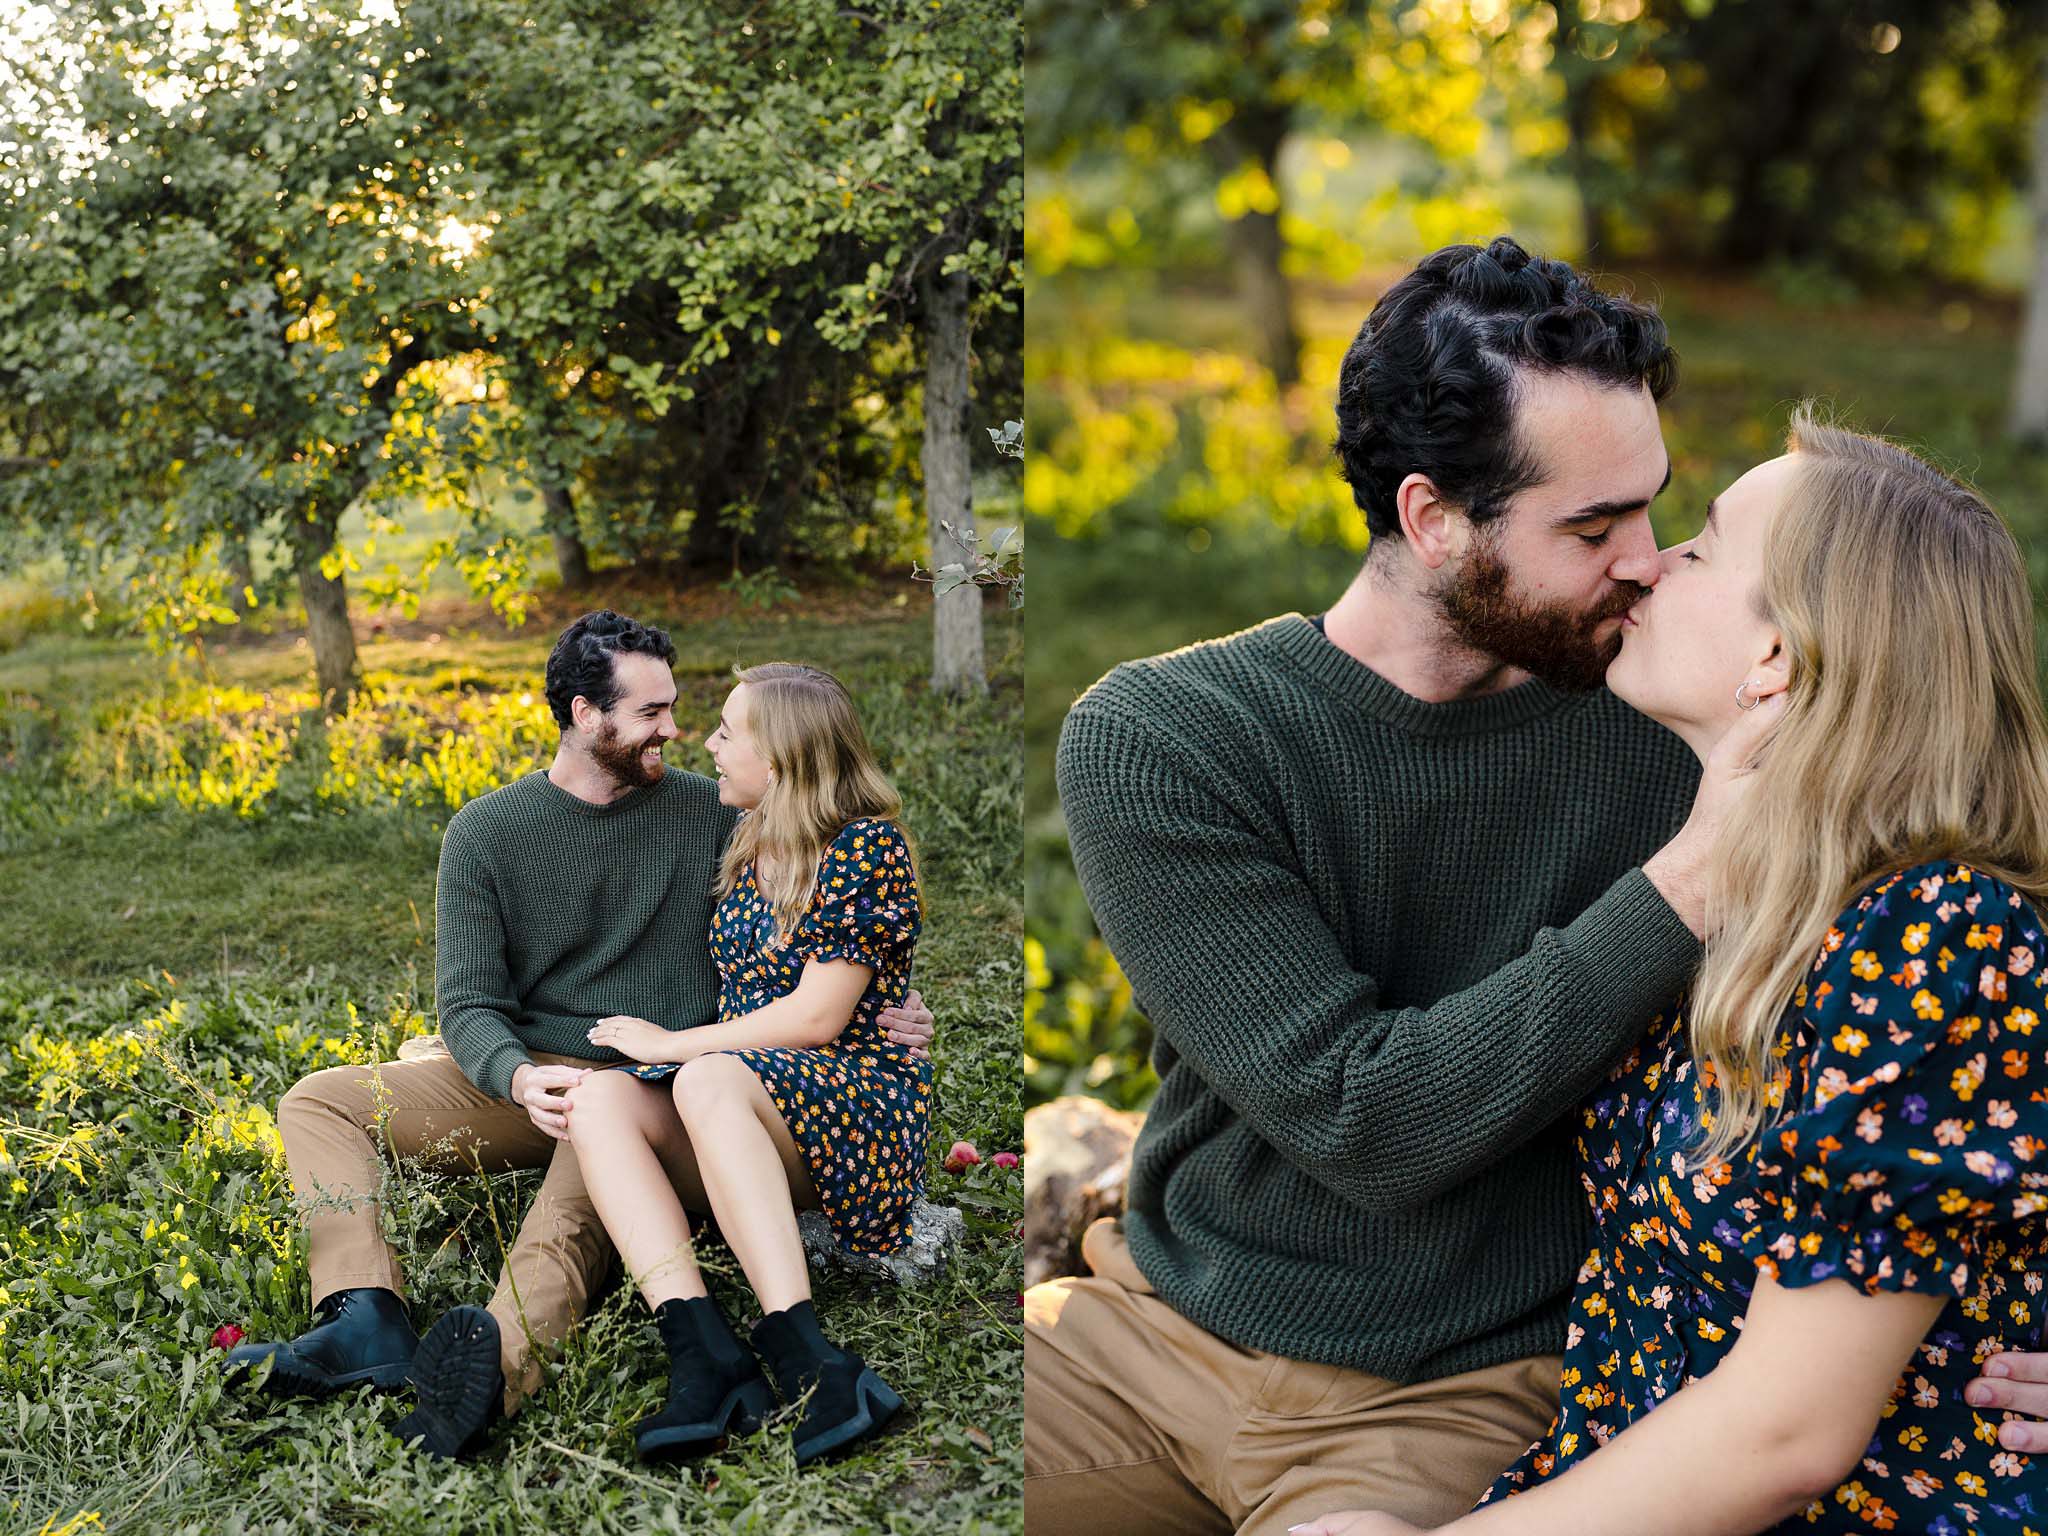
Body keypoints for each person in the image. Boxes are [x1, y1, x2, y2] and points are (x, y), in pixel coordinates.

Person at [1022, 237, 2045, 1534]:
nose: (1644, 560)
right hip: (1149, 1329)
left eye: (1663, 514)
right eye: (1591, 527)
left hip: (1464, 1393)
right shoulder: (1168, 736)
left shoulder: (1692, 728)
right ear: (1433, 521)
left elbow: (1975, 1015)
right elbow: (1360, 1117)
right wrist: (1692, 876)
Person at [1297, 412, 2047, 1535]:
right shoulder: (1749, 887)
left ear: (1777, 657)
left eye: (1699, 544)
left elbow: (1785, 1434)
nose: (1646, 564)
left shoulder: (1933, 928)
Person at [224, 612, 935, 1463]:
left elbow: (826, 911)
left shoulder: (718, 813)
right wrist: (517, 1077)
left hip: (649, 1087)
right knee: (318, 1102)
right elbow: (469, 1004)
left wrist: (894, 1004)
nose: (675, 730)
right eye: (651, 713)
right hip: (536, 1077)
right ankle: (361, 1315)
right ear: (584, 714)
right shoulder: (486, 833)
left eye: (679, 710)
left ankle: (490, 1377)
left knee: (558, 1227)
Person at [552, 662, 927, 1467]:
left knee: (707, 1073)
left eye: (727, 733)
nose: (709, 745)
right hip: (745, 1103)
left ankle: (810, 1356)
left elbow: (818, 1017)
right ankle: (703, 1349)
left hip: (853, 1104)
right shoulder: (749, 837)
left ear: (781, 759)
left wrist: (668, 1045)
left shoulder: (865, 844)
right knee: (597, 1102)